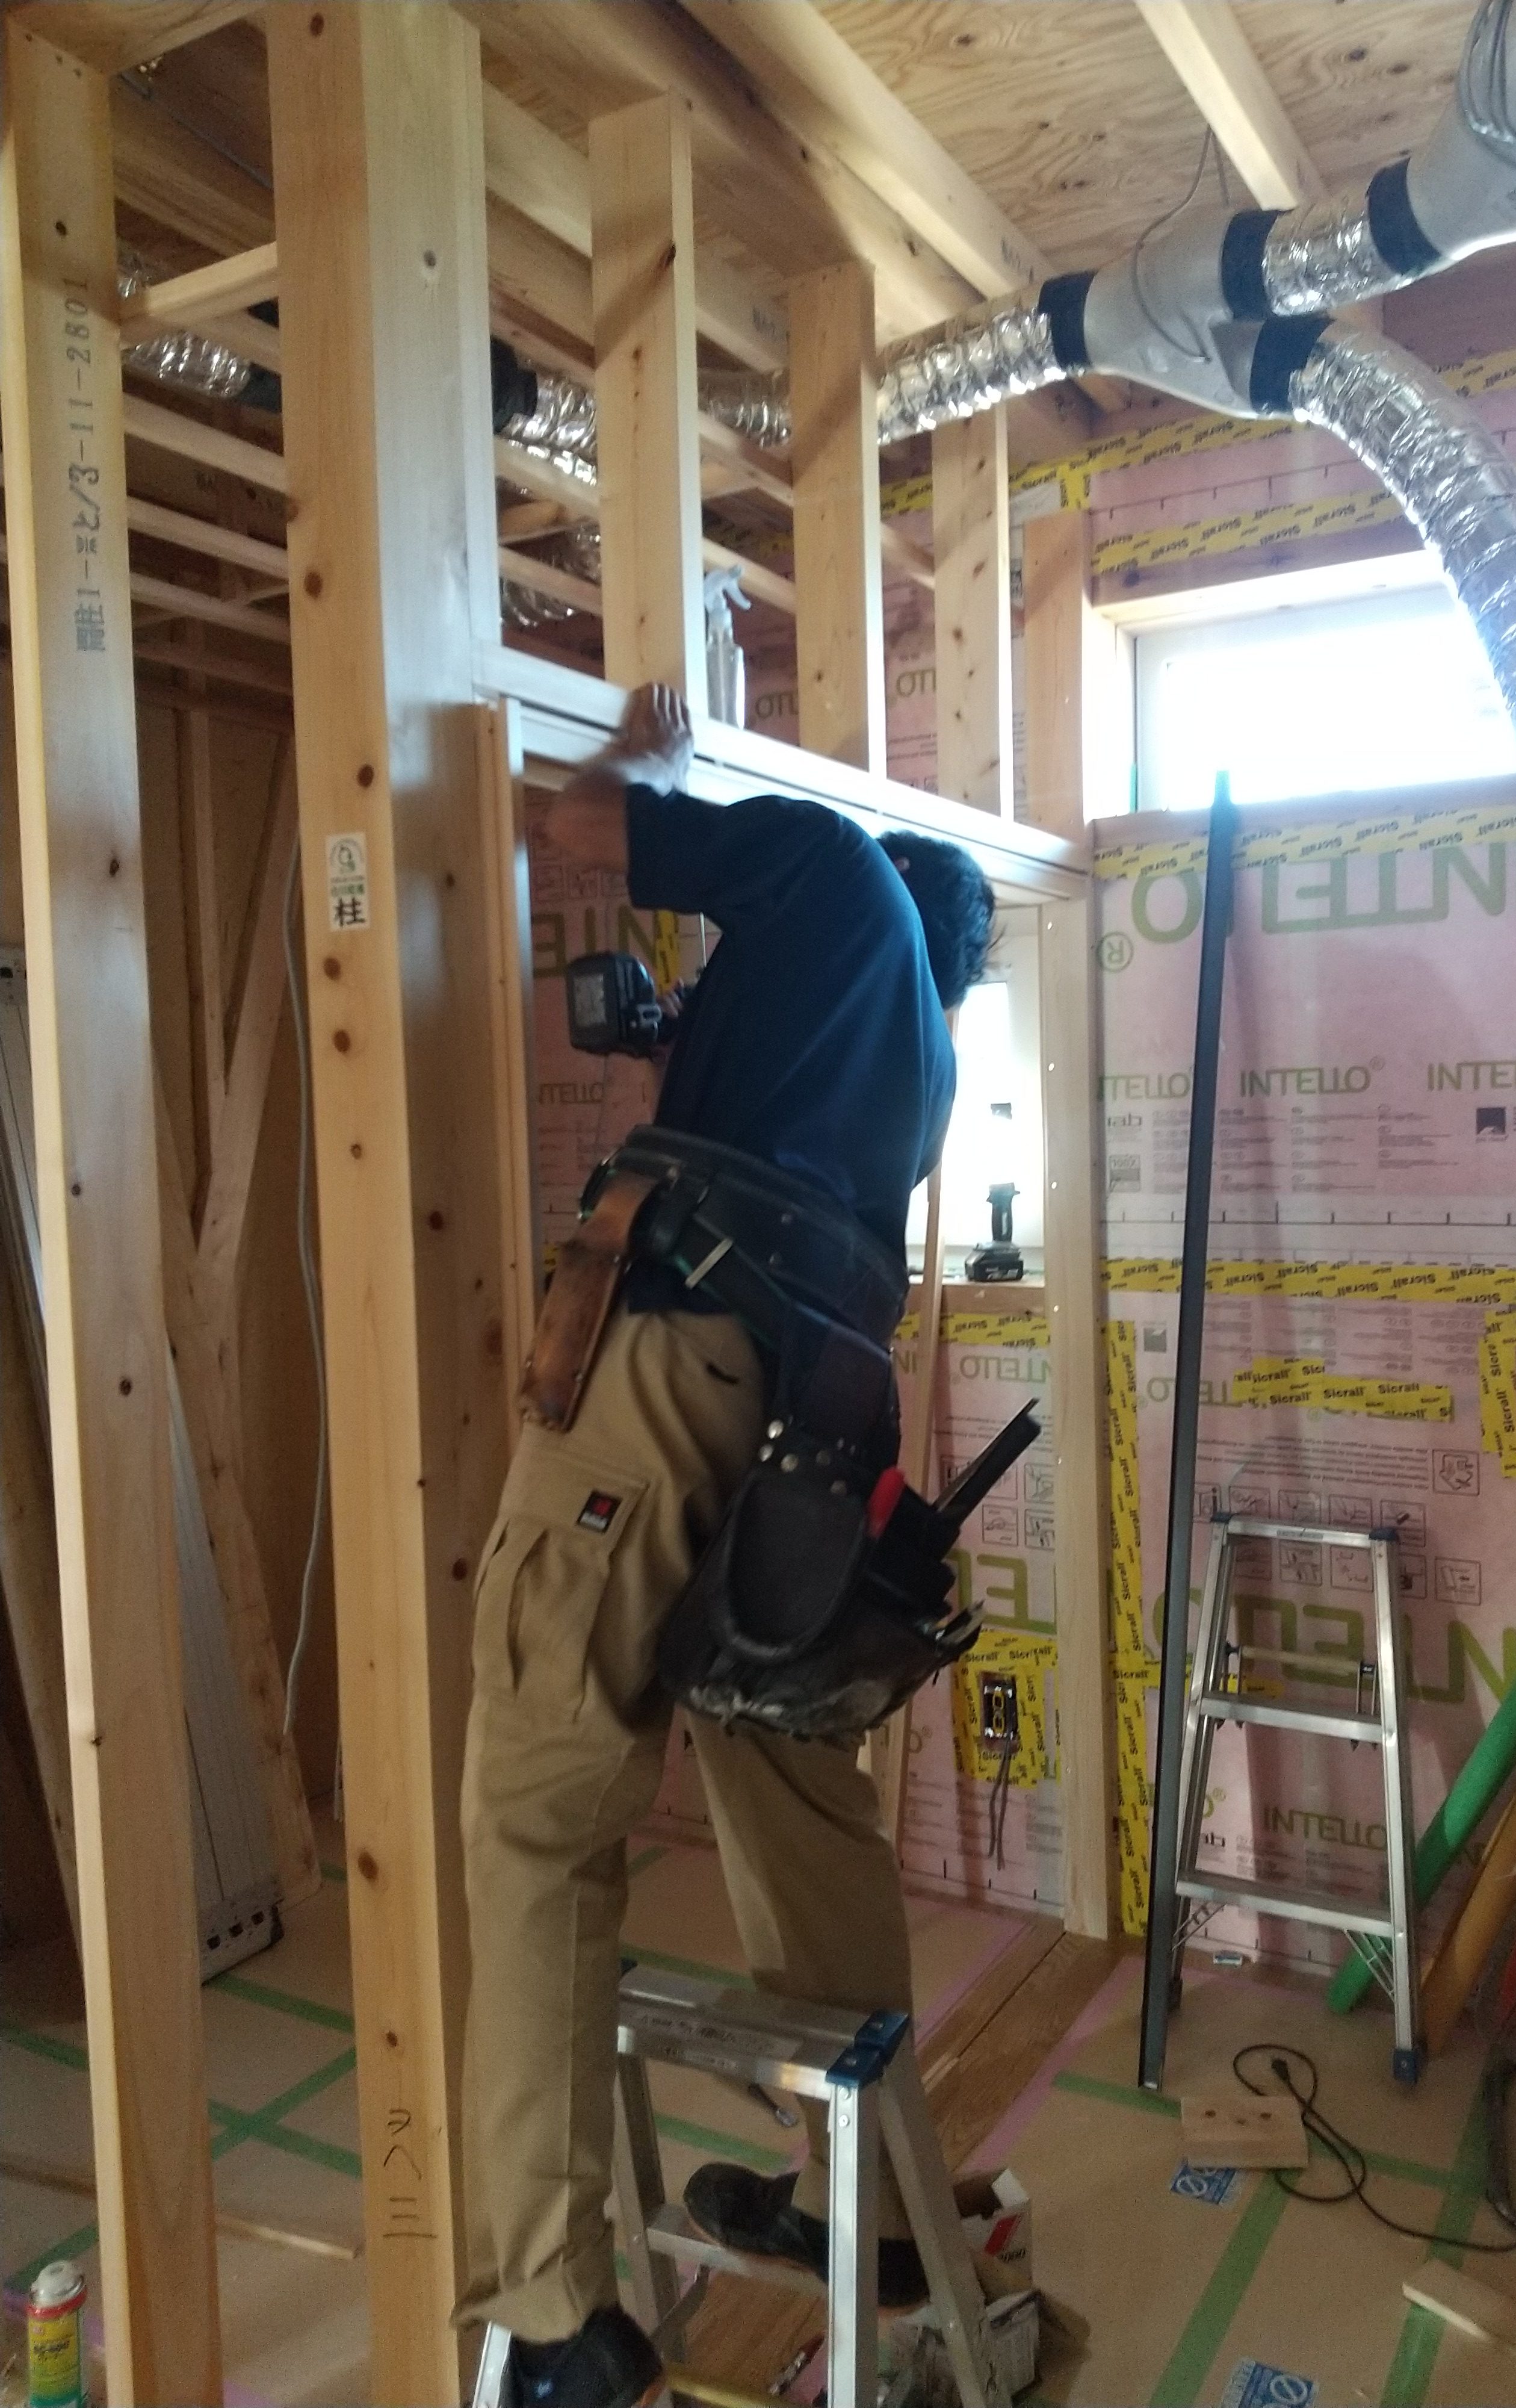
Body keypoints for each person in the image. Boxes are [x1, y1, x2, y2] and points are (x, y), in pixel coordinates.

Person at [457, 683, 996, 2408]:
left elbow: (576, 826)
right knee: (793, 1791)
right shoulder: (915, 1060)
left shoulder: (832, 872)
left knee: (538, 1813)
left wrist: (655, 763)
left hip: (664, 1374)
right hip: (804, 1432)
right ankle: (870, 2214)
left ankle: (554, 2318)